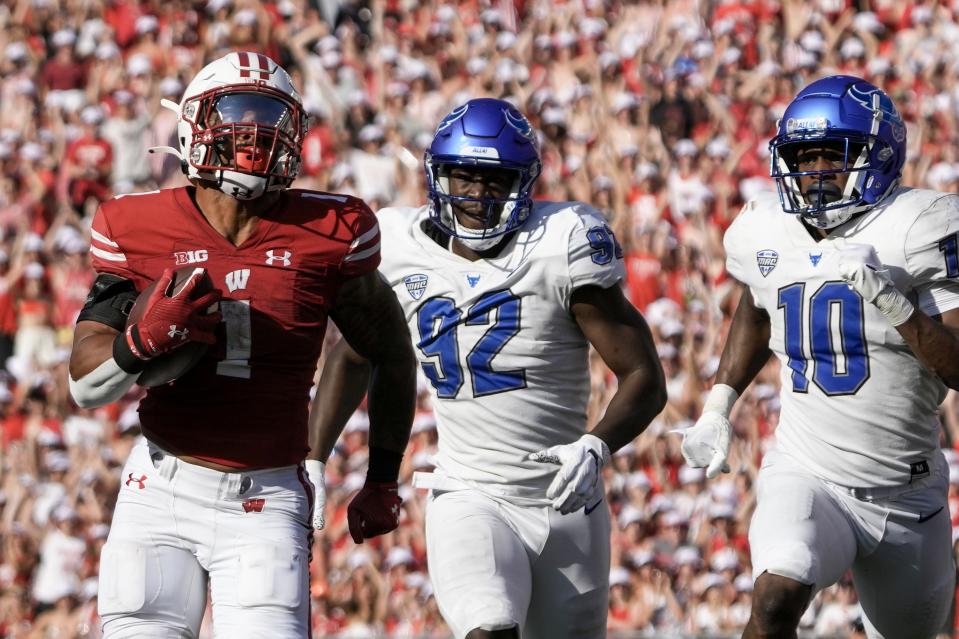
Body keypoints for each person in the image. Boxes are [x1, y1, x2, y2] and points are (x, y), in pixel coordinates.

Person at [67, 51, 415, 639]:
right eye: (235, 113)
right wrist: (138, 341)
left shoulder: (330, 233)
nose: (253, 134)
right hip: (160, 486)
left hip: (267, 493)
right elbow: (83, 384)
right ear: (194, 126)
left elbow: (389, 348)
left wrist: (382, 476)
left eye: (269, 117)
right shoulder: (138, 226)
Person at [309, 97, 667, 639]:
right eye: (463, 178)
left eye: (494, 181)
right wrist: (313, 459)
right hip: (470, 492)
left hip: (567, 502)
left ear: (523, 183)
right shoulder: (401, 248)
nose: (477, 196)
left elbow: (644, 375)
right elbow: (356, 354)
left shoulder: (562, 242)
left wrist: (596, 445)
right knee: (489, 627)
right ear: (437, 177)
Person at [678, 75, 959, 638]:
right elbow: (758, 308)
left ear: (877, 157)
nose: (815, 172)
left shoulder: (920, 227)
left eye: (833, 155)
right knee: (777, 592)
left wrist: (889, 299)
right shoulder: (765, 227)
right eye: (804, 158)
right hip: (809, 471)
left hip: (906, 489)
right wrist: (719, 403)